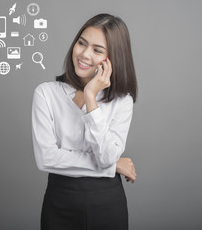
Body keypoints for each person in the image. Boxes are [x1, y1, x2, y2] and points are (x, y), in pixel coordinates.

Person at [32, 13, 138, 230]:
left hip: (107, 203)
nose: (84, 54)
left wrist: (91, 99)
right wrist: (112, 168)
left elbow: (107, 155)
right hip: (60, 201)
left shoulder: (122, 100)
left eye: (97, 50)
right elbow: (46, 158)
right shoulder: (46, 93)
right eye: (81, 43)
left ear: (113, 58)